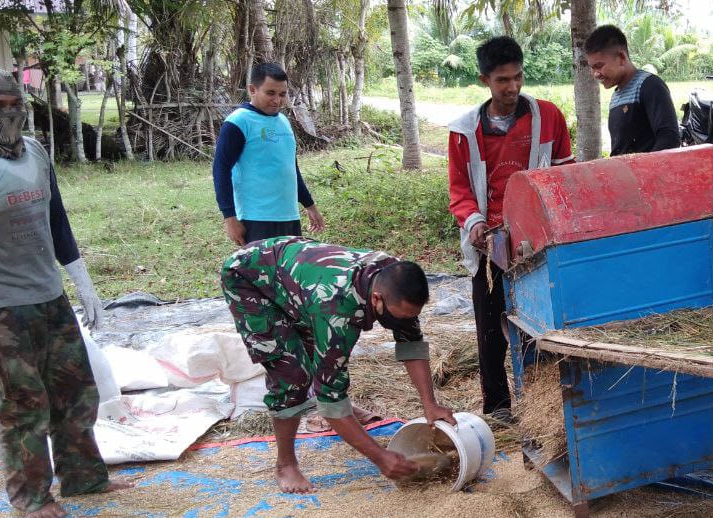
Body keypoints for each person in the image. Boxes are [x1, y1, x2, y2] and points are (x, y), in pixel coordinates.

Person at [0, 67, 131, 518]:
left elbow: (56, 220)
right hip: (0, 310)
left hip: (48, 297)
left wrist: (82, 282)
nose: (8, 113)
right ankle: (31, 498)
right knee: (24, 407)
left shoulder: (35, 153)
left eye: (13, 103)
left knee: (76, 392)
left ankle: (84, 477)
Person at [221, 236, 456, 493]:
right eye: (399, 317)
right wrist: (380, 457)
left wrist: (429, 404)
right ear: (376, 299)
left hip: (297, 276)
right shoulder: (337, 311)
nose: (405, 322)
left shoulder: (397, 281)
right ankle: (285, 465)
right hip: (249, 277)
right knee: (292, 375)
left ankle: (345, 414)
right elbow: (330, 399)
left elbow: (411, 343)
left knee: (317, 359)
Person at [447, 36, 575, 425]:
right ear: (484, 79)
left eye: (518, 77)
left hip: (538, 244)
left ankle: (544, 406)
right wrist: (476, 224)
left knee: (542, 326)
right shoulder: (464, 132)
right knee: (490, 332)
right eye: (503, 80)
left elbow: (565, 173)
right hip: (491, 247)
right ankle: (499, 410)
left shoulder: (548, 116)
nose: (513, 87)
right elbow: (460, 192)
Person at [212, 62, 324, 246]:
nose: (277, 100)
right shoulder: (238, 122)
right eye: (270, 93)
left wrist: (310, 206)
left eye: (282, 94)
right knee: (261, 274)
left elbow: (290, 169)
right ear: (252, 90)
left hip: (289, 216)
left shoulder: (284, 122)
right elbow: (221, 170)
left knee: (288, 272)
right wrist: (229, 218)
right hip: (256, 218)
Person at [584, 25, 681, 156]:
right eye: (592, 68)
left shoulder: (650, 85)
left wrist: (642, 171)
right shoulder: (616, 95)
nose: (596, 74)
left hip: (646, 175)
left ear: (621, 57)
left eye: (599, 66)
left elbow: (669, 139)